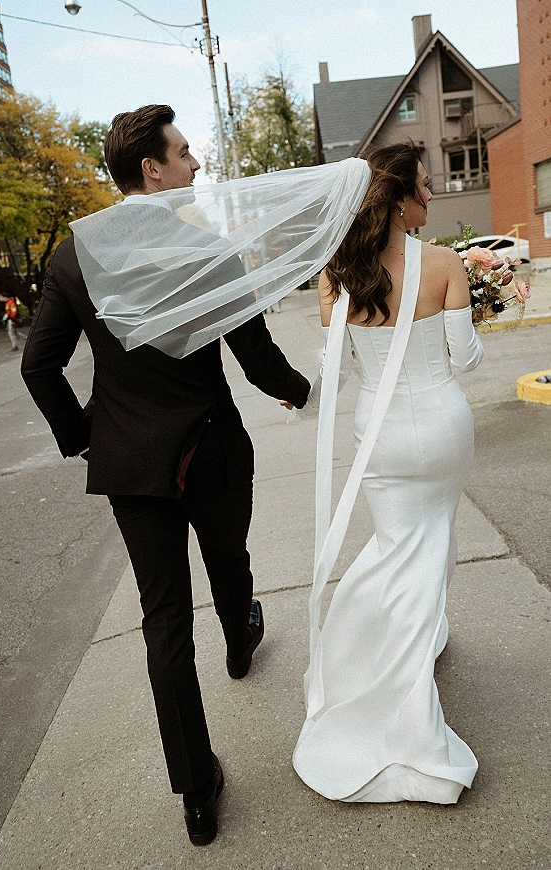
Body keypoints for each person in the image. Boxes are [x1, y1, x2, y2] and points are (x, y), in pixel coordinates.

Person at [21, 104, 310, 846]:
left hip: (130, 465)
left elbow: (39, 364)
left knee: (163, 623)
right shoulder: (204, 250)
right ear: (152, 169)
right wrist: (306, 389)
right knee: (229, 560)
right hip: (211, 449)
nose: (194, 165)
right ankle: (242, 641)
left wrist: (86, 435)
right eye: (184, 154)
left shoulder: (72, 255)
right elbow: (256, 358)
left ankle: (196, 791)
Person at [289, 143, 483, 804]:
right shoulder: (447, 264)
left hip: (383, 441)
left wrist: (299, 396)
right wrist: (484, 304)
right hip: (445, 427)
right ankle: (404, 674)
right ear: (398, 197)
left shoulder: (334, 274)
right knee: (434, 543)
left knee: (402, 546)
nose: (432, 197)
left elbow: (337, 375)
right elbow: (467, 359)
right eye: (425, 187)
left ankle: (403, 642)